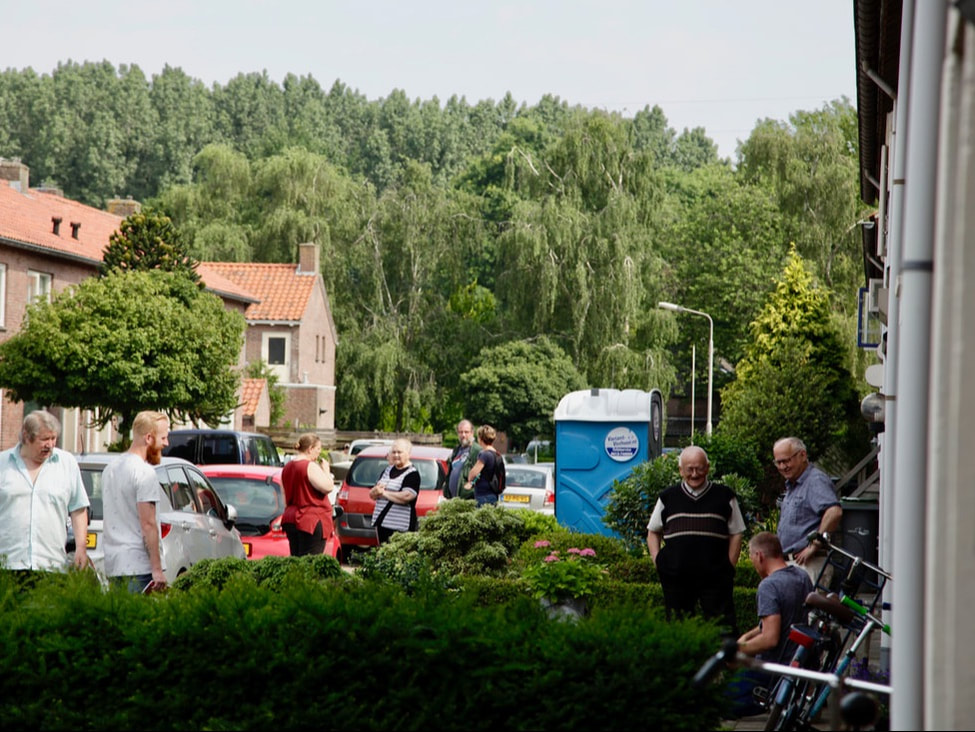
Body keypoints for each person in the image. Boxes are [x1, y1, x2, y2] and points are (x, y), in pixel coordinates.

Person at [646, 445, 745, 635]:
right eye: (689, 469)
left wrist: (729, 566)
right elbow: (653, 532)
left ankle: (724, 663)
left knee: (723, 628)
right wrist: (657, 560)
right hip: (676, 576)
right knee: (678, 628)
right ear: (680, 470)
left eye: (699, 468)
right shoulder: (668, 497)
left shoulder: (725, 496)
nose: (694, 474)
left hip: (715, 577)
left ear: (707, 468)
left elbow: (736, 533)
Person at [729, 531, 814, 716]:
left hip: (772, 671)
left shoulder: (769, 586)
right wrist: (747, 637)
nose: (752, 563)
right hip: (797, 665)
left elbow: (770, 639)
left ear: (759, 556)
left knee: (713, 701)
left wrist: (735, 652)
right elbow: (782, 621)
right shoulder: (802, 577)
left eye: (751, 557)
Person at [0, 410, 90, 581]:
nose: (50, 444)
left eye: (53, 438)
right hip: (7, 563)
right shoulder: (2, 464)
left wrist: (81, 548)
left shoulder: (67, 464)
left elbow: (78, 508)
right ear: (26, 437)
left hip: (52, 564)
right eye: (44, 439)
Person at [102, 411, 170, 593]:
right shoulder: (145, 472)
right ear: (149, 438)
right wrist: (157, 569)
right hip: (139, 567)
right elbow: (148, 524)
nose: (166, 443)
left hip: (113, 564)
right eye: (163, 437)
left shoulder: (110, 469)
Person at [773, 437, 843, 585]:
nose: (783, 466)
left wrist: (815, 544)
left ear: (802, 455)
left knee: (807, 608)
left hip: (809, 564)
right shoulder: (793, 485)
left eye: (786, 460)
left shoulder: (815, 481)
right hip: (796, 565)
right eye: (778, 462)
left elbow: (834, 512)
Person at [281, 433, 335, 556]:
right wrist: (326, 470)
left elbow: (284, 494)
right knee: (310, 563)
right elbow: (328, 487)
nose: (319, 453)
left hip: (291, 518)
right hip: (310, 520)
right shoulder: (309, 466)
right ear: (310, 449)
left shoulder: (287, 467)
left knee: (296, 560)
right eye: (318, 449)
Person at [370, 438, 420, 544]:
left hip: (401, 528)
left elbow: (407, 497)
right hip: (382, 524)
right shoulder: (387, 470)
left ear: (408, 453)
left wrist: (384, 493)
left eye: (399, 452)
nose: (396, 455)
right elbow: (373, 493)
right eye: (394, 452)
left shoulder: (412, 474)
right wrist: (375, 491)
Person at [463, 425, 501, 507]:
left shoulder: (485, 455)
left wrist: (470, 478)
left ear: (480, 438)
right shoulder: (496, 454)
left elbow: (473, 474)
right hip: (493, 495)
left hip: (484, 496)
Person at [444, 419, 481, 500]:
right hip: (453, 499)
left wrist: (471, 483)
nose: (463, 435)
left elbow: (482, 473)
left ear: (472, 433)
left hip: (467, 499)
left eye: (466, 432)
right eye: (460, 432)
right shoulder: (456, 450)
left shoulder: (477, 451)